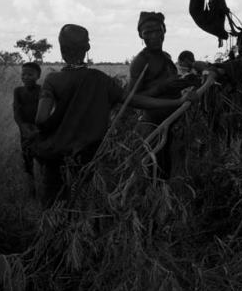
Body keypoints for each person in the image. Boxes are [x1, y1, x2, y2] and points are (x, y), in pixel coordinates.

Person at [30, 24, 125, 208]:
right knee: (87, 207)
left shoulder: (53, 80)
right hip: (90, 156)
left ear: (61, 48)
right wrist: (177, 101)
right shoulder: (101, 79)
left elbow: (40, 120)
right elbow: (131, 99)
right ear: (87, 48)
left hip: (56, 156)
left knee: (55, 208)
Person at [128, 12, 200, 180]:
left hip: (173, 123)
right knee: (157, 172)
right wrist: (162, 87)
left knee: (173, 169)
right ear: (141, 35)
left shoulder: (166, 57)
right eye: (147, 33)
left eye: (157, 31)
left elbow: (171, 85)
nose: (153, 36)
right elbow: (132, 99)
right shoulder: (140, 61)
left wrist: (187, 82)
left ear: (164, 30)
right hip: (154, 126)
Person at [13, 62, 41, 197]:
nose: (26, 77)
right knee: (27, 160)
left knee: (42, 159)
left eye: (30, 74)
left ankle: (43, 187)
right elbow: (16, 112)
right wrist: (23, 127)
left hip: (39, 131)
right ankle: (32, 190)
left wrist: (38, 129)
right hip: (25, 131)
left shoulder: (42, 90)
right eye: (23, 74)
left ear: (38, 76)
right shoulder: (18, 91)